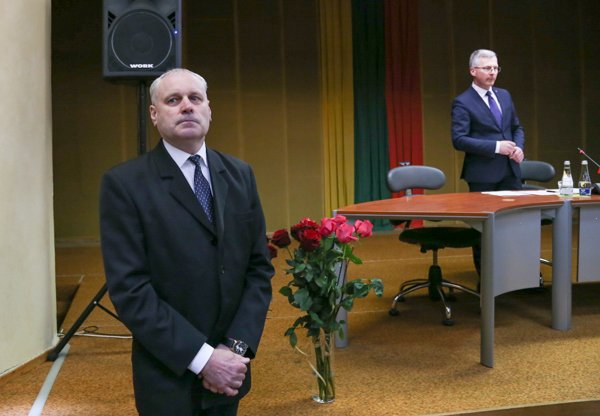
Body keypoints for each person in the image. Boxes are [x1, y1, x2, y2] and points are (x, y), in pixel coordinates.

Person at [99, 68, 274, 416]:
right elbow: (130, 290)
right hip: (168, 374)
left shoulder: (240, 174)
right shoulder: (124, 185)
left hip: (230, 371)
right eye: (173, 100)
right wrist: (204, 359)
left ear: (209, 108)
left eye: (195, 98)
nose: (187, 106)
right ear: (154, 114)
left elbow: (258, 270)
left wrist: (235, 349)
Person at [451, 49, 525, 276]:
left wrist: (518, 147)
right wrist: (496, 147)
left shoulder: (504, 95)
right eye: (487, 68)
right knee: (484, 232)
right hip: (482, 175)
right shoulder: (463, 102)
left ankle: (515, 276)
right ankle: (486, 280)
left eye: (495, 68)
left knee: (514, 227)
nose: (492, 72)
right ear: (473, 71)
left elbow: (516, 127)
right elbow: (459, 140)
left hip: (510, 172)